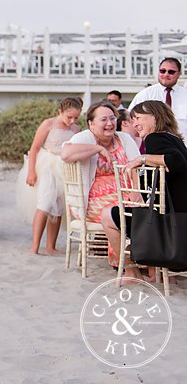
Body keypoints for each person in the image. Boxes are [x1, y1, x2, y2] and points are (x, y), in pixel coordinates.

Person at [102, 100, 187, 281]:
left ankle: (131, 272)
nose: (135, 124)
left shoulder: (154, 138)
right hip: (179, 219)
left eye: (139, 118)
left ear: (155, 118)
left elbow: (177, 162)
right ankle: (155, 272)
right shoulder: (174, 138)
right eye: (133, 119)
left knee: (108, 216)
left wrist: (141, 159)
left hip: (167, 224)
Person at [61, 101, 140, 264]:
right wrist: (97, 149)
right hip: (90, 201)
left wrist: (136, 191)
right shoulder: (84, 138)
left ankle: (145, 261)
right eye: (103, 119)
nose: (110, 123)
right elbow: (66, 154)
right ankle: (127, 263)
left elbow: (136, 165)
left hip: (125, 196)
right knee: (119, 213)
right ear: (91, 123)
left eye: (112, 118)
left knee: (146, 210)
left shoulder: (124, 139)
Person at [24, 97, 82, 255]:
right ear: (60, 112)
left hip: (65, 168)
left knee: (59, 206)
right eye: (69, 117)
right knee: (45, 202)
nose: (72, 120)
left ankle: (51, 246)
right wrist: (31, 171)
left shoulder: (76, 129)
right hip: (47, 166)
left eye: (76, 117)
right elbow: (34, 148)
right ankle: (34, 246)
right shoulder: (48, 124)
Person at [129, 57, 187, 136]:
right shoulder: (145, 94)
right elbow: (130, 120)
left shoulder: (185, 95)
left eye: (171, 72)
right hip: (152, 145)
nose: (166, 74)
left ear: (179, 74)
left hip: (182, 145)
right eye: (162, 71)